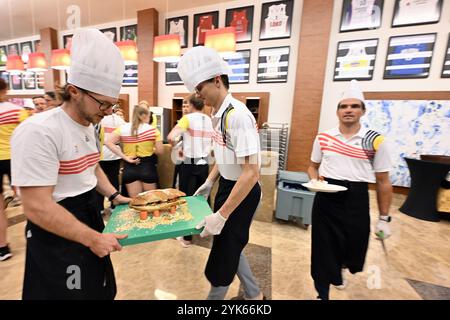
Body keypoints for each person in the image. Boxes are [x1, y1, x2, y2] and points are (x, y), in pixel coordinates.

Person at [10, 29, 130, 299]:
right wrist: (93, 239)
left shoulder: (89, 125)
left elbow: (92, 167)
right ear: (74, 91)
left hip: (88, 212)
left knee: (99, 289)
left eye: (113, 105)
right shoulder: (39, 131)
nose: (108, 112)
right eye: (104, 104)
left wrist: (114, 195)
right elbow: (37, 206)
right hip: (57, 226)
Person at [177, 46, 264, 300]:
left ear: (217, 80)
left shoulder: (237, 116)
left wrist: (222, 214)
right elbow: (224, 153)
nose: (197, 95)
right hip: (227, 185)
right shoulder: (217, 113)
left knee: (224, 252)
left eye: (199, 88)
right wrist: (209, 180)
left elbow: (252, 172)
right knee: (230, 245)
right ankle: (254, 293)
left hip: (243, 192)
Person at [307, 80, 393, 300]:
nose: (348, 110)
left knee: (353, 246)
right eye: (343, 106)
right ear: (337, 111)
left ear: (363, 111)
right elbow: (312, 166)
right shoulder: (323, 137)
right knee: (322, 250)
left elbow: (383, 181)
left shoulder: (375, 140)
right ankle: (322, 294)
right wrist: (315, 181)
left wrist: (384, 218)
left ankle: (342, 267)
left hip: (357, 198)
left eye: (354, 106)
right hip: (327, 200)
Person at [167, 93, 213, 248]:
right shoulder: (208, 120)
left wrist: (178, 147)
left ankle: (186, 237)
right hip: (204, 162)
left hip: (189, 163)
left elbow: (171, 136)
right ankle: (205, 228)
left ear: (192, 105)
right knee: (203, 196)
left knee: (187, 198)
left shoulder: (187, 119)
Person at [105, 104, 163, 197]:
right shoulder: (153, 130)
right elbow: (160, 151)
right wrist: (151, 148)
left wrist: (124, 157)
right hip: (147, 167)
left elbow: (108, 142)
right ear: (144, 116)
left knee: (136, 203)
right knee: (151, 202)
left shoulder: (123, 128)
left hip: (129, 167)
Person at [0, 78, 29, 261]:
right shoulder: (17, 111)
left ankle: (3, 247)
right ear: (5, 89)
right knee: (28, 200)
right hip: (14, 159)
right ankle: (36, 234)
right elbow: (27, 136)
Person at [96, 110, 127, 214]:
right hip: (114, 152)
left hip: (101, 151)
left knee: (99, 180)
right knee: (114, 179)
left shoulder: (99, 118)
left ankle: (100, 207)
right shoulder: (119, 120)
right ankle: (114, 205)